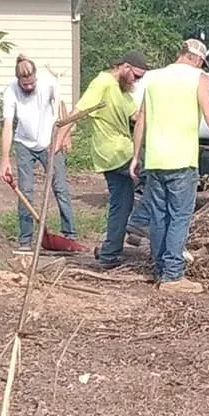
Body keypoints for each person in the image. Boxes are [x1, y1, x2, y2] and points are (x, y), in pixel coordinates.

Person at [130, 38, 209, 294]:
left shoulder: (153, 78)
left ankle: (160, 269)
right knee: (179, 217)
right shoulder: (199, 78)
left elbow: (142, 120)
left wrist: (136, 157)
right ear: (197, 59)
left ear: (180, 53)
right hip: (181, 160)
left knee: (159, 217)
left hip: (156, 160)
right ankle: (173, 276)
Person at [56, 51, 152, 270]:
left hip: (113, 155)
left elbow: (136, 117)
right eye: (136, 76)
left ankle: (109, 255)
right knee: (157, 176)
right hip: (117, 153)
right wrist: (59, 141)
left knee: (121, 204)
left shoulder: (122, 90)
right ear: (125, 67)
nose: (137, 81)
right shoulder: (102, 83)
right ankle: (140, 221)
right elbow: (78, 112)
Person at [0, 54, 77, 251]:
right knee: (25, 191)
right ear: (19, 80)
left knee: (60, 189)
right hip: (24, 144)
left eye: (31, 82)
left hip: (50, 143)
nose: (29, 87)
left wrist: (64, 137)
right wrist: (5, 159)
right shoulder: (11, 92)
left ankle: (70, 235)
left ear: (35, 76)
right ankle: (25, 240)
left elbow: (61, 108)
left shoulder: (49, 83)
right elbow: (8, 126)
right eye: (25, 84)